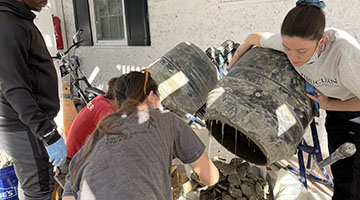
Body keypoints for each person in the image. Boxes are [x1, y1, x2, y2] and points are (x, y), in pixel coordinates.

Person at [226, 0, 360, 199]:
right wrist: (233, 65)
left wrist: (329, 103)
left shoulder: (343, 53)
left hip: (354, 111)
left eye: (301, 52)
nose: (293, 56)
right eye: (287, 48)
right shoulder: (292, 43)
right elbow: (253, 38)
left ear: (321, 42)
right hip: (335, 112)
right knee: (343, 178)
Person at [62, 70, 219, 200]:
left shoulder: (101, 130)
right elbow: (211, 178)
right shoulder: (167, 120)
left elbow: (69, 193)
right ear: (152, 96)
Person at [0, 0, 67, 199]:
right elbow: (13, 87)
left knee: (34, 185)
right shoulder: (7, 23)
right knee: (39, 190)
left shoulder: (18, 19)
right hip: (23, 125)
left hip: (27, 122)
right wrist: (48, 134)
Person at [66, 77, 119, 160]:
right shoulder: (106, 110)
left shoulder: (101, 98)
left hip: (72, 151)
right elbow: (115, 137)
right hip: (75, 158)